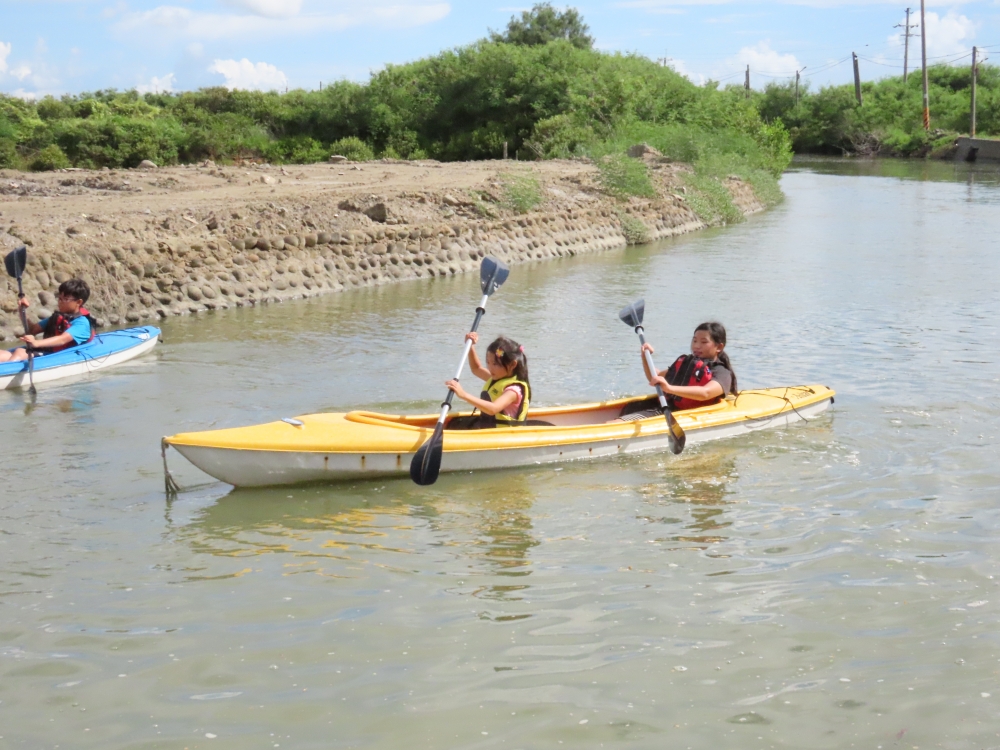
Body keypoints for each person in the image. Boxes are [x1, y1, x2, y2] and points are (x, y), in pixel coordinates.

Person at [620, 321, 737, 420]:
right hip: (665, 406)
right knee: (630, 407)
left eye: (704, 342)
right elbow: (655, 377)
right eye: (695, 341)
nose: (697, 346)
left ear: (719, 347)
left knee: (620, 421)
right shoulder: (686, 363)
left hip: (683, 415)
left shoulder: (722, 373)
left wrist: (669, 388)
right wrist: (645, 357)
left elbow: (705, 393)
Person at [445, 333, 531, 428]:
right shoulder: (496, 378)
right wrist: (470, 345)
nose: (490, 367)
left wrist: (463, 395)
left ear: (512, 365)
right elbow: (476, 368)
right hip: (488, 427)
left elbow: (493, 409)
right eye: (488, 362)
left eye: (495, 364)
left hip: (504, 433)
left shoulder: (513, 390)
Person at [0, 279, 96, 363]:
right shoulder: (57, 318)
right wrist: (22, 311)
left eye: (65, 299)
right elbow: (32, 330)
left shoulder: (82, 323)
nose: (60, 302)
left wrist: (36, 343)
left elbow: (62, 339)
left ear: (78, 302)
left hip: (61, 356)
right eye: (60, 298)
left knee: (20, 352)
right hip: (46, 352)